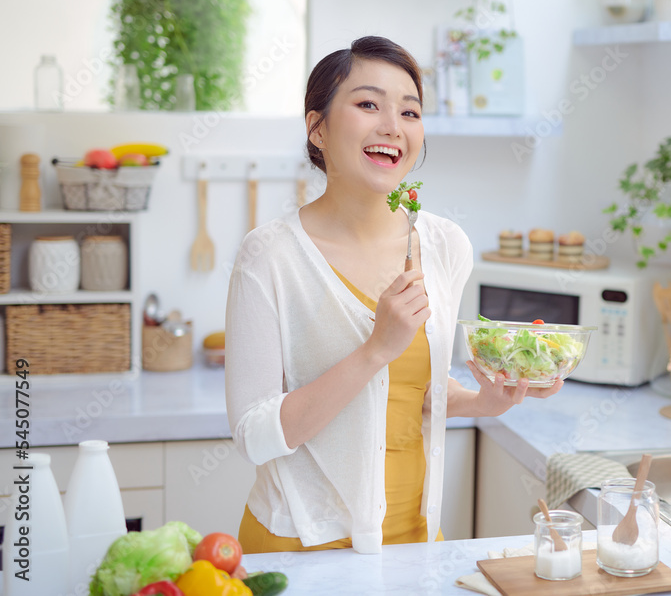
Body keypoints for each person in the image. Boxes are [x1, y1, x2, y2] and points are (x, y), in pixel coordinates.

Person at [225, 36, 561, 554]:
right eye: (367, 105)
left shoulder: (445, 246)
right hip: (303, 543)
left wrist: (485, 401)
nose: (393, 127)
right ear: (317, 128)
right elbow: (254, 435)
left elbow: (412, 394)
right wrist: (375, 349)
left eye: (410, 111)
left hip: (415, 539)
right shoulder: (269, 257)